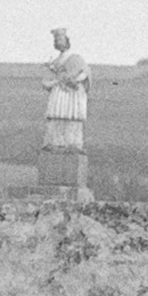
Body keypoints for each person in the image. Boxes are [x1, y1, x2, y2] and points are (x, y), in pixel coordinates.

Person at [41, 28, 91, 199]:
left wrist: (74, 80)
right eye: (56, 40)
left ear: (66, 41)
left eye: (60, 39)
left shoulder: (75, 58)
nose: (58, 42)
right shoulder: (56, 61)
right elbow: (51, 77)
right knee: (55, 117)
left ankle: (71, 144)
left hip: (71, 94)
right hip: (59, 91)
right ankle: (55, 144)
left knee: (70, 119)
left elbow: (85, 73)